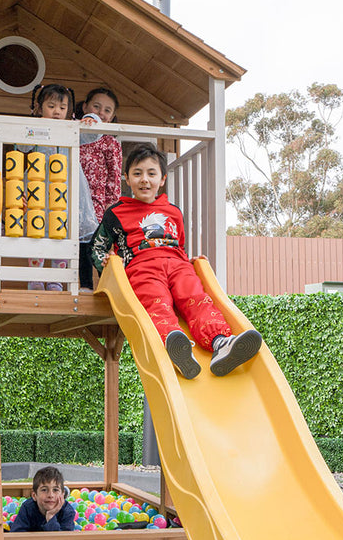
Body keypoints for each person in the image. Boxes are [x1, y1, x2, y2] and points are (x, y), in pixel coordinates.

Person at [90, 142, 262, 379]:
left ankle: (220, 343)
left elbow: (178, 244)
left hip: (177, 265)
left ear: (162, 179)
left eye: (151, 174)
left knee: (196, 299)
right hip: (142, 268)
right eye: (137, 174)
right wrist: (108, 266)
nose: (144, 180)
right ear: (126, 179)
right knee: (156, 302)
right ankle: (174, 347)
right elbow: (97, 247)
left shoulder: (173, 211)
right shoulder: (117, 213)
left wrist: (190, 261)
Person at [17, 84, 75, 291]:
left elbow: (92, 135)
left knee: (60, 232)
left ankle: (56, 279)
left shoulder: (71, 129)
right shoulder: (37, 130)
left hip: (64, 189)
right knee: (36, 229)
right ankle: (36, 277)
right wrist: (33, 126)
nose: (57, 112)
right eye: (51, 106)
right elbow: (21, 147)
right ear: (40, 108)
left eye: (62, 107)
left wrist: (91, 120)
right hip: (38, 185)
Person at [77, 87, 123, 290]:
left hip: (98, 203)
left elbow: (114, 177)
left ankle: (106, 285)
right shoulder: (74, 133)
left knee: (96, 245)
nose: (100, 113)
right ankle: (85, 285)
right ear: (85, 107)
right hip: (74, 199)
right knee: (79, 246)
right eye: (96, 106)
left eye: (107, 110)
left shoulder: (110, 142)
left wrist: (111, 206)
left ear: (112, 118)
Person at [10, 465, 76, 531]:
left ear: (62, 494)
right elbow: (16, 533)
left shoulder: (67, 511)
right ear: (34, 495)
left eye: (55, 490)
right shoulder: (27, 508)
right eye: (44, 490)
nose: (50, 495)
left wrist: (50, 517)